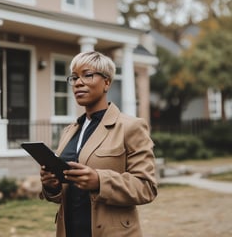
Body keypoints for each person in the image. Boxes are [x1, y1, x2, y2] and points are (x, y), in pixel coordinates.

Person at [40, 51, 157, 237]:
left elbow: (146, 187)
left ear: (107, 82)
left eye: (87, 75)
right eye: (75, 77)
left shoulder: (131, 127)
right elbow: (67, 194)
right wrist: (52, 185)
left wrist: (100, 181)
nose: (78, 82)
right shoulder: (69, 131)